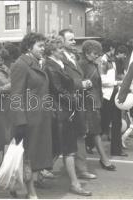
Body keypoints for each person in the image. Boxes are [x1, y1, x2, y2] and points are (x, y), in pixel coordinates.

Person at [44, 37, 91, 196]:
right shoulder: (50, 66)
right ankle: (74, 184)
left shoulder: (58, 64)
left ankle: (37, 175)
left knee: (61, 147)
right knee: (68, 149)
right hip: (61, 111)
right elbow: (57, 89)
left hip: (65, 109)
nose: (62, 51)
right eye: (59, 49)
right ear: (51, 51)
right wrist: (74, 100)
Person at [10, 32, 53, 198]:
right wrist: (20, 121)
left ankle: (16, 186)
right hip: (28, 118)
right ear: (29, 47)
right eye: (40, 46)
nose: (43, 49)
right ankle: (31, 192)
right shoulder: (21, 65)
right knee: (29, 156)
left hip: (41, 116)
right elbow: (16, 95)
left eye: (44, 45)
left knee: (35, 156)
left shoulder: (38, 63)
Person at [59, 28, 97, 179]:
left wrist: (84, 84)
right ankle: (43, 169)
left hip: (79, 101)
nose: (74, 42)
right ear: (62, 41)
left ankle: (82, 169)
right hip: (67, 102)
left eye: (74, 39)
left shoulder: (74, 56)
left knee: (80, 134)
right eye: (71, 39)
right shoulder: (59, 58)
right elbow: (61, 81)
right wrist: (81, 83)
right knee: (64, 137)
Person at [78, 40, 116, 171]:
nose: (97, 56)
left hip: (95, 103)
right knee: (95, 132)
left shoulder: (92, 65)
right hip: (87, 103)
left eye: (98, 53)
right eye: (94, 53)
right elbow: (77, 83)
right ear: (87, 52)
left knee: (95, 132)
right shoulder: (82, 64)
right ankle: (104, 159)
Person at [100, 41, 128, 157]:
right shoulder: (104, 61)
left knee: (116, 123)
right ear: (111, 48)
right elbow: (102, 81)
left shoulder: (112, 61)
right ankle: (90, 143)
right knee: (103, 123)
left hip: (113, 94)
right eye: (114, 49)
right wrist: (117, 82)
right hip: (106, 96)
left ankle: (116, 149)